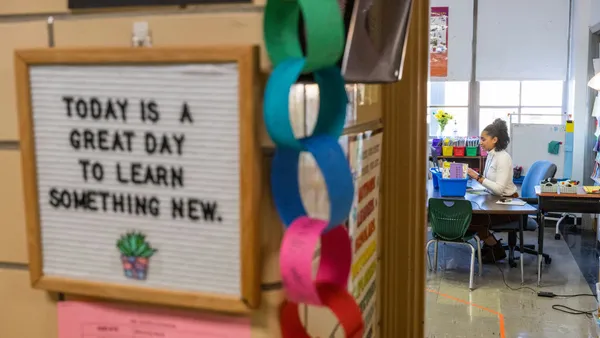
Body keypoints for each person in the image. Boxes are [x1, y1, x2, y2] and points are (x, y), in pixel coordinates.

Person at [466, 118, 518, 263]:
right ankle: (490, 245)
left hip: (508, 205)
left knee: (472, 219)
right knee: (472, 216)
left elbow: (499, 189)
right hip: (496, 200)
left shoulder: (503, 158)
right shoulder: (491, 155)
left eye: (483, 139)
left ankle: (495, 248)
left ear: (495, 139)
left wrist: (477, 177)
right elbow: (490, 183)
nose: (480, 142)